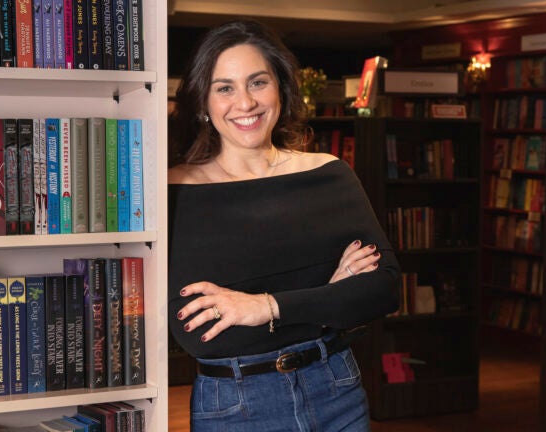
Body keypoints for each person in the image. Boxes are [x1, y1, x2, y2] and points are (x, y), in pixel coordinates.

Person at [167, 18, 400, 432]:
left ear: (281, 88)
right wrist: (329, 298)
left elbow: (382, 290)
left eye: (258, 82)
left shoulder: (329, 174)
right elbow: (199, 332)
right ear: (203, 101)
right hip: (235, 405)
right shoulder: (177, 191)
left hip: (336, 388)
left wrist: (264, 307)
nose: (245, 103)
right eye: (225, 88)